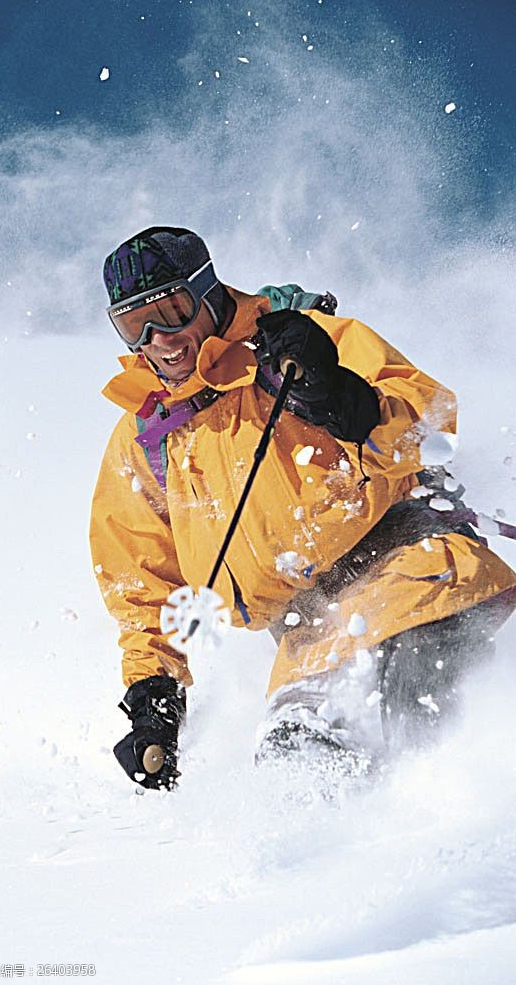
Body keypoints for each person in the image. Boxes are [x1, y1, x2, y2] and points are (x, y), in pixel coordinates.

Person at [90, 226, 515, 791]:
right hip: (308, 635)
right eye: (132, 325)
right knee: (298, 767)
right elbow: (140, 577)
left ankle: (465, 851)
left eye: (171, 311)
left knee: (421, 731)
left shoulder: (295, 344)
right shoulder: (148, 432)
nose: (157, 339)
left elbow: (428, 422)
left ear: (207, 292)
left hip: (413, 572)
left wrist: (341, 397)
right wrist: (153, 694)